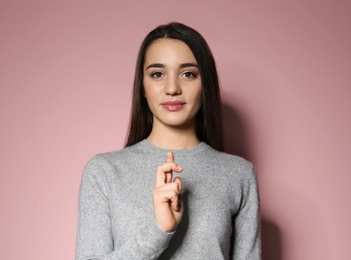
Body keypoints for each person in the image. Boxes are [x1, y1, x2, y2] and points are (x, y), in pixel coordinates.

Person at [76, 22, 261, 259]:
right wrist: (159, 230)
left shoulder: (239, 174)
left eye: (188, 74)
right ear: (142, 86)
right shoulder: (104, 171)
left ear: (205, 85)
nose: (172, 88)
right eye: (157, 74)